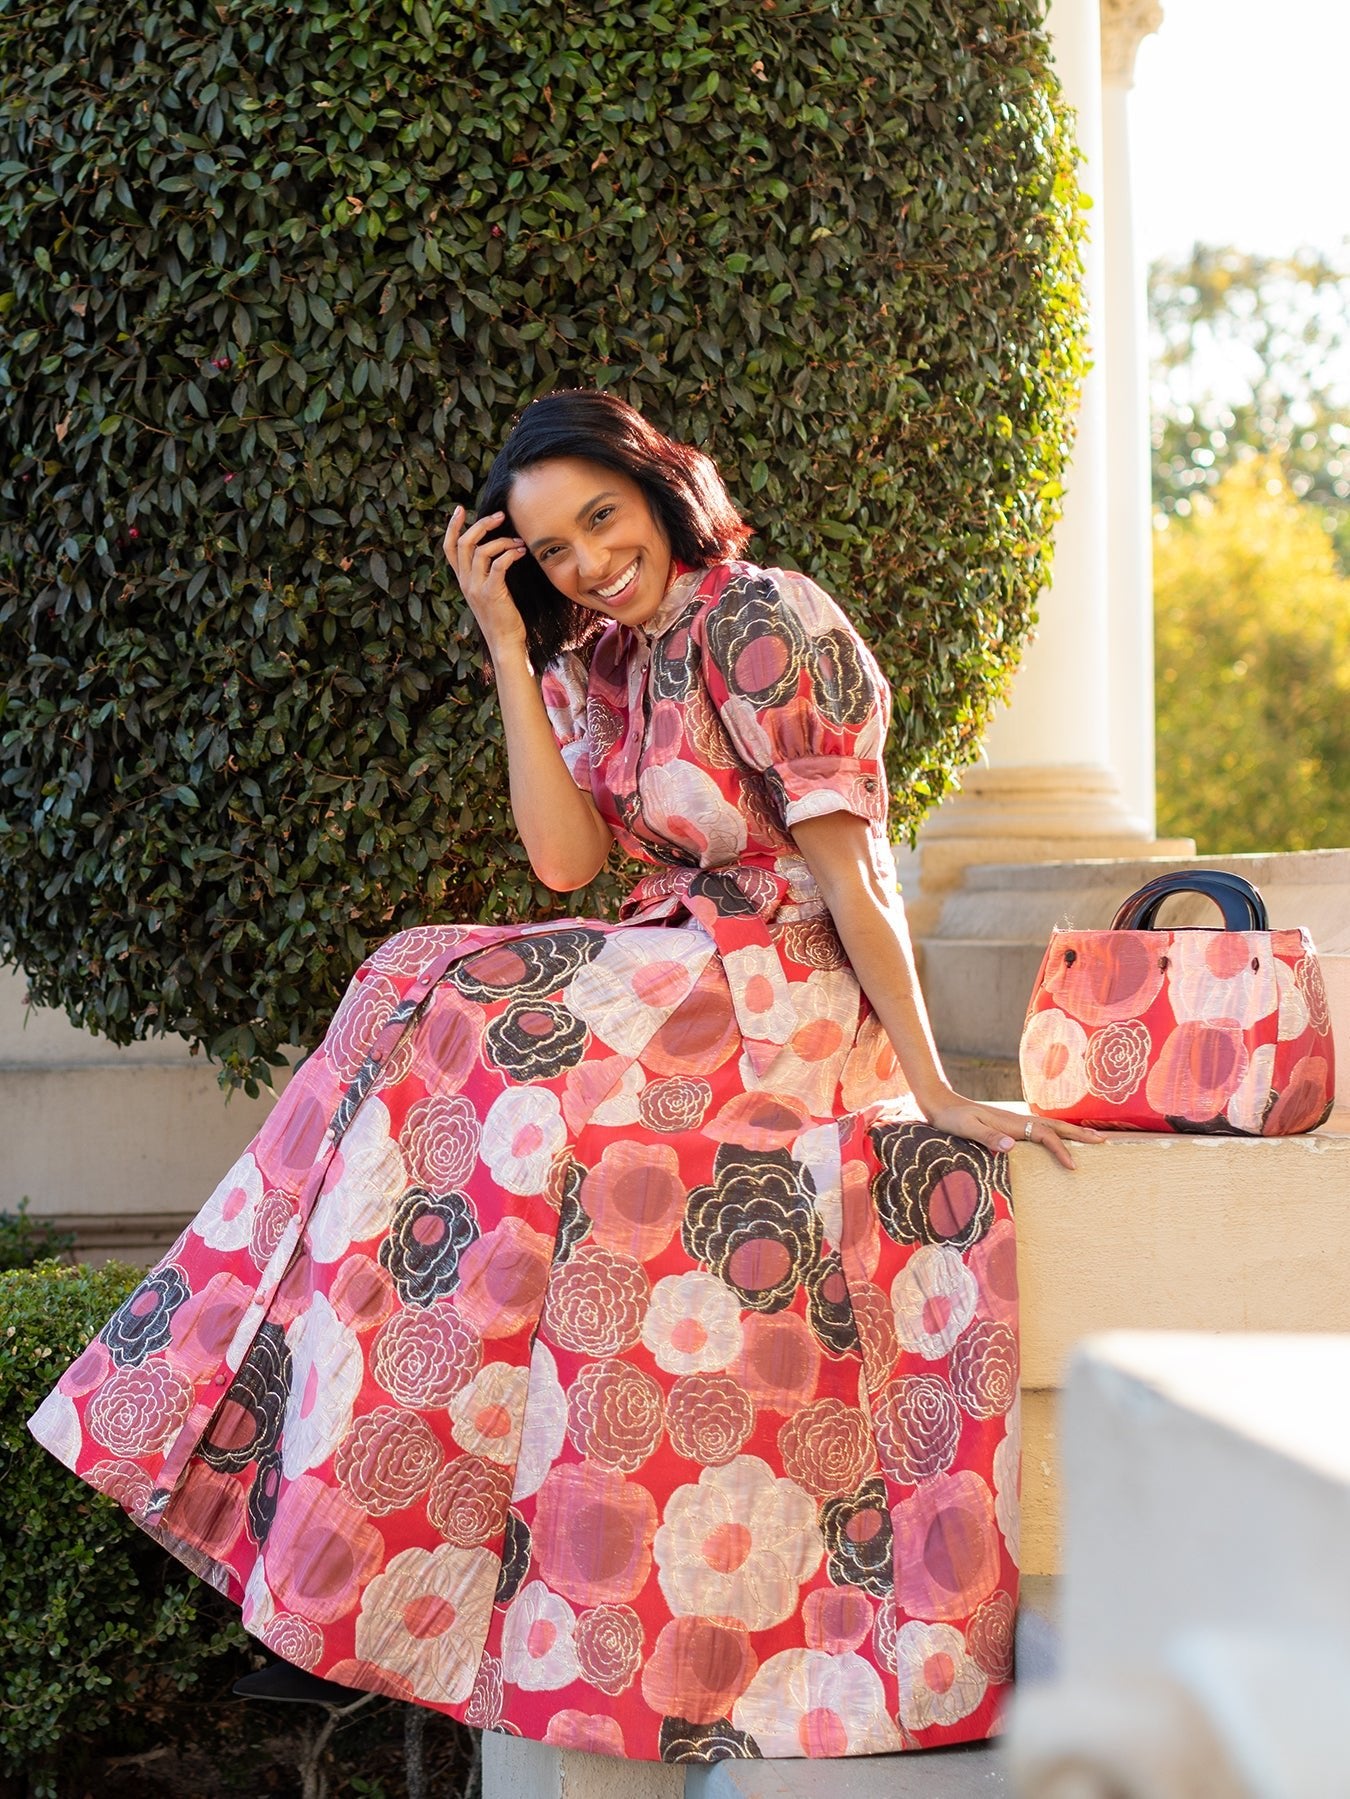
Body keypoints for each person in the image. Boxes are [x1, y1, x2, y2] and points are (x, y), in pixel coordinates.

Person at [30, 390, 1097, 1762]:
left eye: (603, 518)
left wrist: (933, 1082)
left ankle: (307, 1510)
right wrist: (506, 646)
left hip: (780, 990)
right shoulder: (606, 659)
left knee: (466, 1014)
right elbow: (563, 863)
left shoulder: (759, 616)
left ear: (659, 492)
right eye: (552, 550)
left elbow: (853, 866)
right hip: (677, 971)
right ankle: (322, 1523)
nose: (590, 561)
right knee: (411, 991)